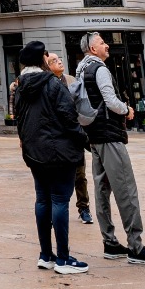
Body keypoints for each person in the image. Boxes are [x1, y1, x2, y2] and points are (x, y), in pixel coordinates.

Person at [76, 33, 145, 265]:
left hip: (93, 135)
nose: (107, 45)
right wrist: (127, 109)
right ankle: (136, 246)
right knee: (126, 189)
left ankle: (110, 243)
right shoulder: (99, 69)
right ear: (93, 49)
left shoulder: (80, 70)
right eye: (102, 42)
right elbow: (110, 101)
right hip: (110, 135)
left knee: (102, 190)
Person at [14, 42, 89, 275]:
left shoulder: (20, 87)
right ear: (42, 60)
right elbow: (69, 117)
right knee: (59, 201)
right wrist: (85, 140)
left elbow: (19, 120)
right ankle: (64, 259)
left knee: (43, 200)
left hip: (34, 152)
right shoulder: (53, 84)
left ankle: (46, 255)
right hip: (59, 152)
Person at [43, 53, 94, 224]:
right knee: (54, 176)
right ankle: (52, 210)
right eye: (54, 61)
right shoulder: (45, 83)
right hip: (55, 136)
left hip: (74, 133)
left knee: (80, 174)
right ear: (47, 66)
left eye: (59, 59)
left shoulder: (71, 80)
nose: (59, 62)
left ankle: (84, 208)